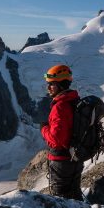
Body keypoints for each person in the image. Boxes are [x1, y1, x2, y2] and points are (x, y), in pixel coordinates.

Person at [40, 64, 84, 200]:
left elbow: (56, 139)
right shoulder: (75, 100)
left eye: (52, 84)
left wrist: (44, 129)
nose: (48, 88)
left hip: (61, 160)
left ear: (62, 85)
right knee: (75, 194)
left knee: (61, 199)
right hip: (75, 157)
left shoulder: (60, 106)